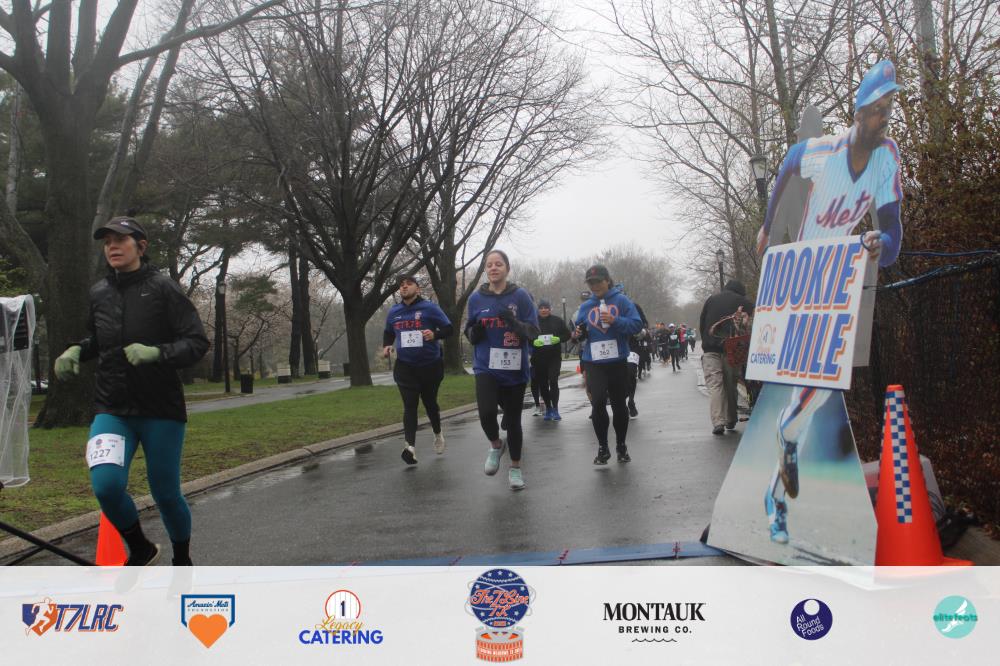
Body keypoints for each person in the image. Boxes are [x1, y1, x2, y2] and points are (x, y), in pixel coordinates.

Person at [757, 60, 904, 545]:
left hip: (837, 281)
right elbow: (789, 162)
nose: (884, 118)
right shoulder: (825, 150)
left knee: (817, 395)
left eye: (889, 109)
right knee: (810, 388)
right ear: (859, 112)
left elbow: (892, 232)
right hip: (801, 276)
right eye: (877, 109)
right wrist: (767, 226)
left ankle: (777, 486)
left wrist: (883, 242)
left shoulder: (886, 157)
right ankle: (780, 485)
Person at [53, 217, 209, 566]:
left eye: (120, 240)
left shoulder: (164, 288)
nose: (112, 246)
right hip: (112, 407)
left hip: (160, 408)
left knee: (165, 493)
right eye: (107, 241)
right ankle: (140, 547)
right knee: (106, 486)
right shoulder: (99, 292)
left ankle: (182, 560)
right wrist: (76, 349)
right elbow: (99, 340)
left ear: (141, 246)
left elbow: (197, 342)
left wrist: (157, 353)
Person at [465, 250, 539, 490]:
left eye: (498, 264)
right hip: (485, 366)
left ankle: (515, 468)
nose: (493, 268)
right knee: (486, 413)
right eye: (489, 265)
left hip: (514, 369)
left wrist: (514, 323)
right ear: (485, 270)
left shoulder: (520, 296)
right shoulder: (476, 299)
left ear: (507, 268)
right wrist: (474, 333)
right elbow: (469, 331)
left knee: (513, 421)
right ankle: (496, 445)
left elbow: (533, 332)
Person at [571, 265, 643, 464]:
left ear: (607, 281)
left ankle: (621, 445)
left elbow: (637, 325)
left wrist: (615, 320)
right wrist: (578, 334)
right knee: (598, 402)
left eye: (598, 282)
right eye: (591, 283)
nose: (595, 286)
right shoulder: (586, 306)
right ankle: (603, 447)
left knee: (619, 404)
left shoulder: (622, 301)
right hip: (593, 362)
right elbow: (578, 333)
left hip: (617, 360)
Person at [382, 275, 453, 466]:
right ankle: (410, 448)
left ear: (418, 289)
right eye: (401, 285)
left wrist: (434, 334)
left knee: (430, 404)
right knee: (410, 405)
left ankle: (438, 434)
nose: (404, 287)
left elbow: (449, 329)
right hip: (405, 366)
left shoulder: (430, 308)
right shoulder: (394, 311)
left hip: (430, 365)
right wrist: (387, 346)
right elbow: (388, 332)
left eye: (409, 284)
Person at [699, 280, 755, 436]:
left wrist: (707, 341)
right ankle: (731, 418)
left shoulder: (711, 300)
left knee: (715, 385)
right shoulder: (742, 301)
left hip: (710, 349)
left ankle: (718, 422)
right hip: (731, 349)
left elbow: (702, 324)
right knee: (730, 384)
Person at [531, 299, 570, 420]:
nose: (544, 310)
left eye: (546, 308)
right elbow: (527, 336)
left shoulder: (557, 320)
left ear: (549, 309)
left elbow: (567, 334)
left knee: (553, 380)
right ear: (538, 310)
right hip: (538, 358)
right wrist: (533, 341)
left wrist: (559, 339)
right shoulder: (533, 322)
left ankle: (556, 409)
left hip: (554, 357)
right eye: (541, 308)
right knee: (542, 384)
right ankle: (548, 408)